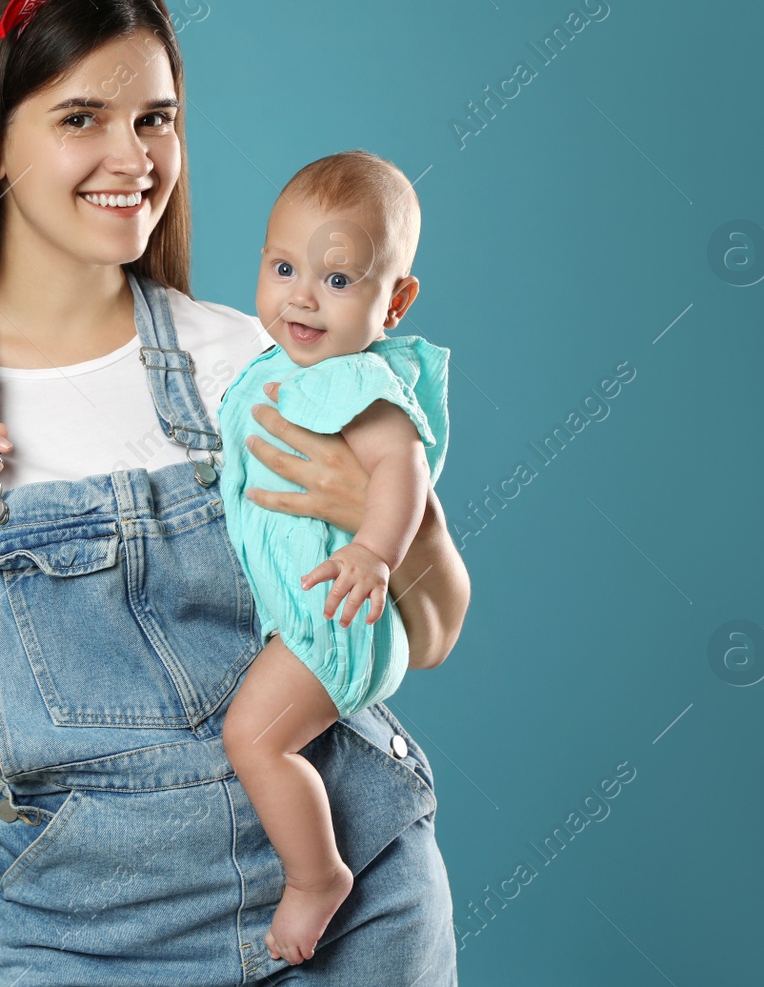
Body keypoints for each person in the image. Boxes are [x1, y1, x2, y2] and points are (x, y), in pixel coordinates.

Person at [0, 0, 470, 985]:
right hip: (93, 936)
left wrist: (392, 525)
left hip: (352, 894)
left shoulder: (258, 361)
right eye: (81, 118)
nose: (133, 159)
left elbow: (435, 628)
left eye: (155, 120)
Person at [217, 150, 451, 965]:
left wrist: (374, 551)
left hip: (339, 616)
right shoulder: (280, 367)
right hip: (309, 613)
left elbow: (403, 470)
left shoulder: (363, 383)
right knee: (260, 734)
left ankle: (317, 876)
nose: (303, 295)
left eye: (340, 280)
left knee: (255, 738)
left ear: (396, 300)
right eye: (284, 267)